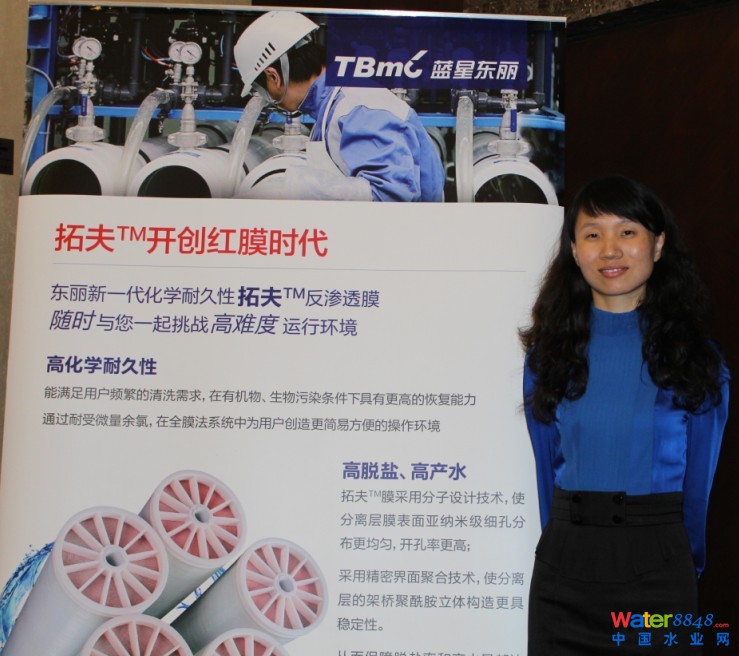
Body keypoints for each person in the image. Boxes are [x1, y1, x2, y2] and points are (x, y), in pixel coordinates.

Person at [520, 175, 729, 654]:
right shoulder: (547, 358)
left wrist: (682, 568)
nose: (610, 249)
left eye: (627, 231)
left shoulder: (698, 361)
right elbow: (546, 474)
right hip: (563, 573)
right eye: (593, 234)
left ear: (658, 244)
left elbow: (699, 487)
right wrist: (564, 545)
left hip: (659, 570)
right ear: (575, 250)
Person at [233, 10, 445, 202]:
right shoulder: (331, 107)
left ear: (273, 77)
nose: (268, 100)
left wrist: (294, 187)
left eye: (262, 91)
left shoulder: (356, 108)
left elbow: (390, 197)